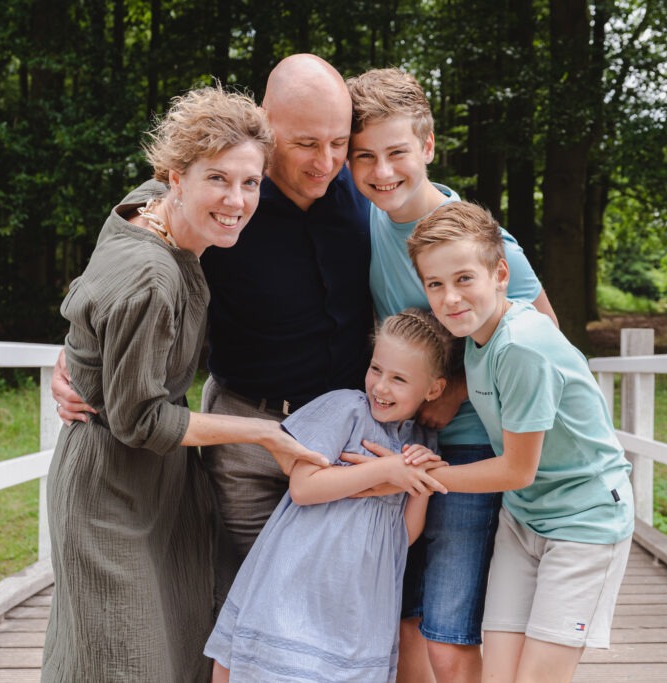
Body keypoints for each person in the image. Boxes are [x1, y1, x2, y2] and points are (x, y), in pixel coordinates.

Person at [52, 54, 377, 600]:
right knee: (246, 604)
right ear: (267, 124)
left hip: (346, 433)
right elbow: (123, 263)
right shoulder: (219, 196)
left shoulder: (368, 188)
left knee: (339, 602)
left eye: (338, 142)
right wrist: (76, 352)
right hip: (243, 431)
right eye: (304, 144)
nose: (326, 162)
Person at [41, 86, 329, 683]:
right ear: (175, 176)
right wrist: (265, 433)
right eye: (217, 179)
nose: (237, 200)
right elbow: (139, 420)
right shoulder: (153, 278)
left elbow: (91, 298)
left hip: (158, 488)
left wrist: (78, 351)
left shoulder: (141, 207)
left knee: (177, 648)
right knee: (125, 662)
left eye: (250, 182)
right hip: (110, 493)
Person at [344, 67, 558, 682]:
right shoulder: (373, 218)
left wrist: (457, 387)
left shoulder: (479, 242)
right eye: (364, 157)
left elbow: (545, 338)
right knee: (402, 620)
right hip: (400, 438)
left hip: (468, 442)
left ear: (428, 147)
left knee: (446, 630)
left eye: (397, 154)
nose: (382, 172)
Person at [391, 201, 635, 683]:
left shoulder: (522, 346)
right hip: (524, 519)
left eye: (464, 279)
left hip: (583, 523)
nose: (450, 299)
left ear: (500, 273)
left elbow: (516, 469)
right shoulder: (476, 336)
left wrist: (422, 474)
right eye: (434, 285)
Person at [204, 309, 455, 682]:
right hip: (300, 578)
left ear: (433, 390)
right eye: (376, 369)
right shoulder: (345, 409)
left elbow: (404, 535)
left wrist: (417, 484)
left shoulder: (418, 443)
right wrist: (385, 470)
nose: (381, 387)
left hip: (358, 599)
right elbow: (303, 487)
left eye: (399, 379)